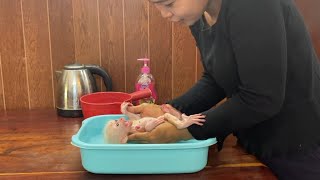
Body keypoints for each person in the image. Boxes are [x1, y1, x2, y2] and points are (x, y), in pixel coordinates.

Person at [127, 0, 320, 179]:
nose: (164, 14)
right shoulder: (199, 14)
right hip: (255, 138)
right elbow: (216, 78)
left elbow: (262, 98)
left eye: (169, 3)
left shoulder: (254, 5)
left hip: (298, 144)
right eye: (156, 5)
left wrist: (184, 131)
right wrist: (168, 110)